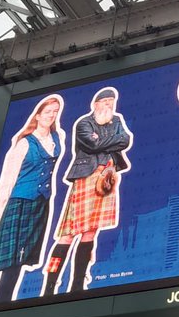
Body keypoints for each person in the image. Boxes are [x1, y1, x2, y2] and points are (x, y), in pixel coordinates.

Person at [42, 87, 132, 296]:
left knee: (91, 232)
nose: (109, 105)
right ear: (95, 104)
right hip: (87, 176)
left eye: (112, 101)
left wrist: (103, 139)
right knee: (68, 234)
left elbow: (125, 140)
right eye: (105, 101)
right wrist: (106, 138)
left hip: (107, 178)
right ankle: (50, 284)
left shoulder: (116, 119)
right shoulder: (84, 123)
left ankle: (77, 285)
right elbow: (92, 145)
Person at [0, 95, 65, 303]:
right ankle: (0, 304)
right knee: (12, 260)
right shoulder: (24, 144)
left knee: (23, 257)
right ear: (38, 115)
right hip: (19, 203)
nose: (52, 115)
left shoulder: (57, 138)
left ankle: (3, 304)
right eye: (48, 111)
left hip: (41, 202)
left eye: (55, 111)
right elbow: (7, 180)